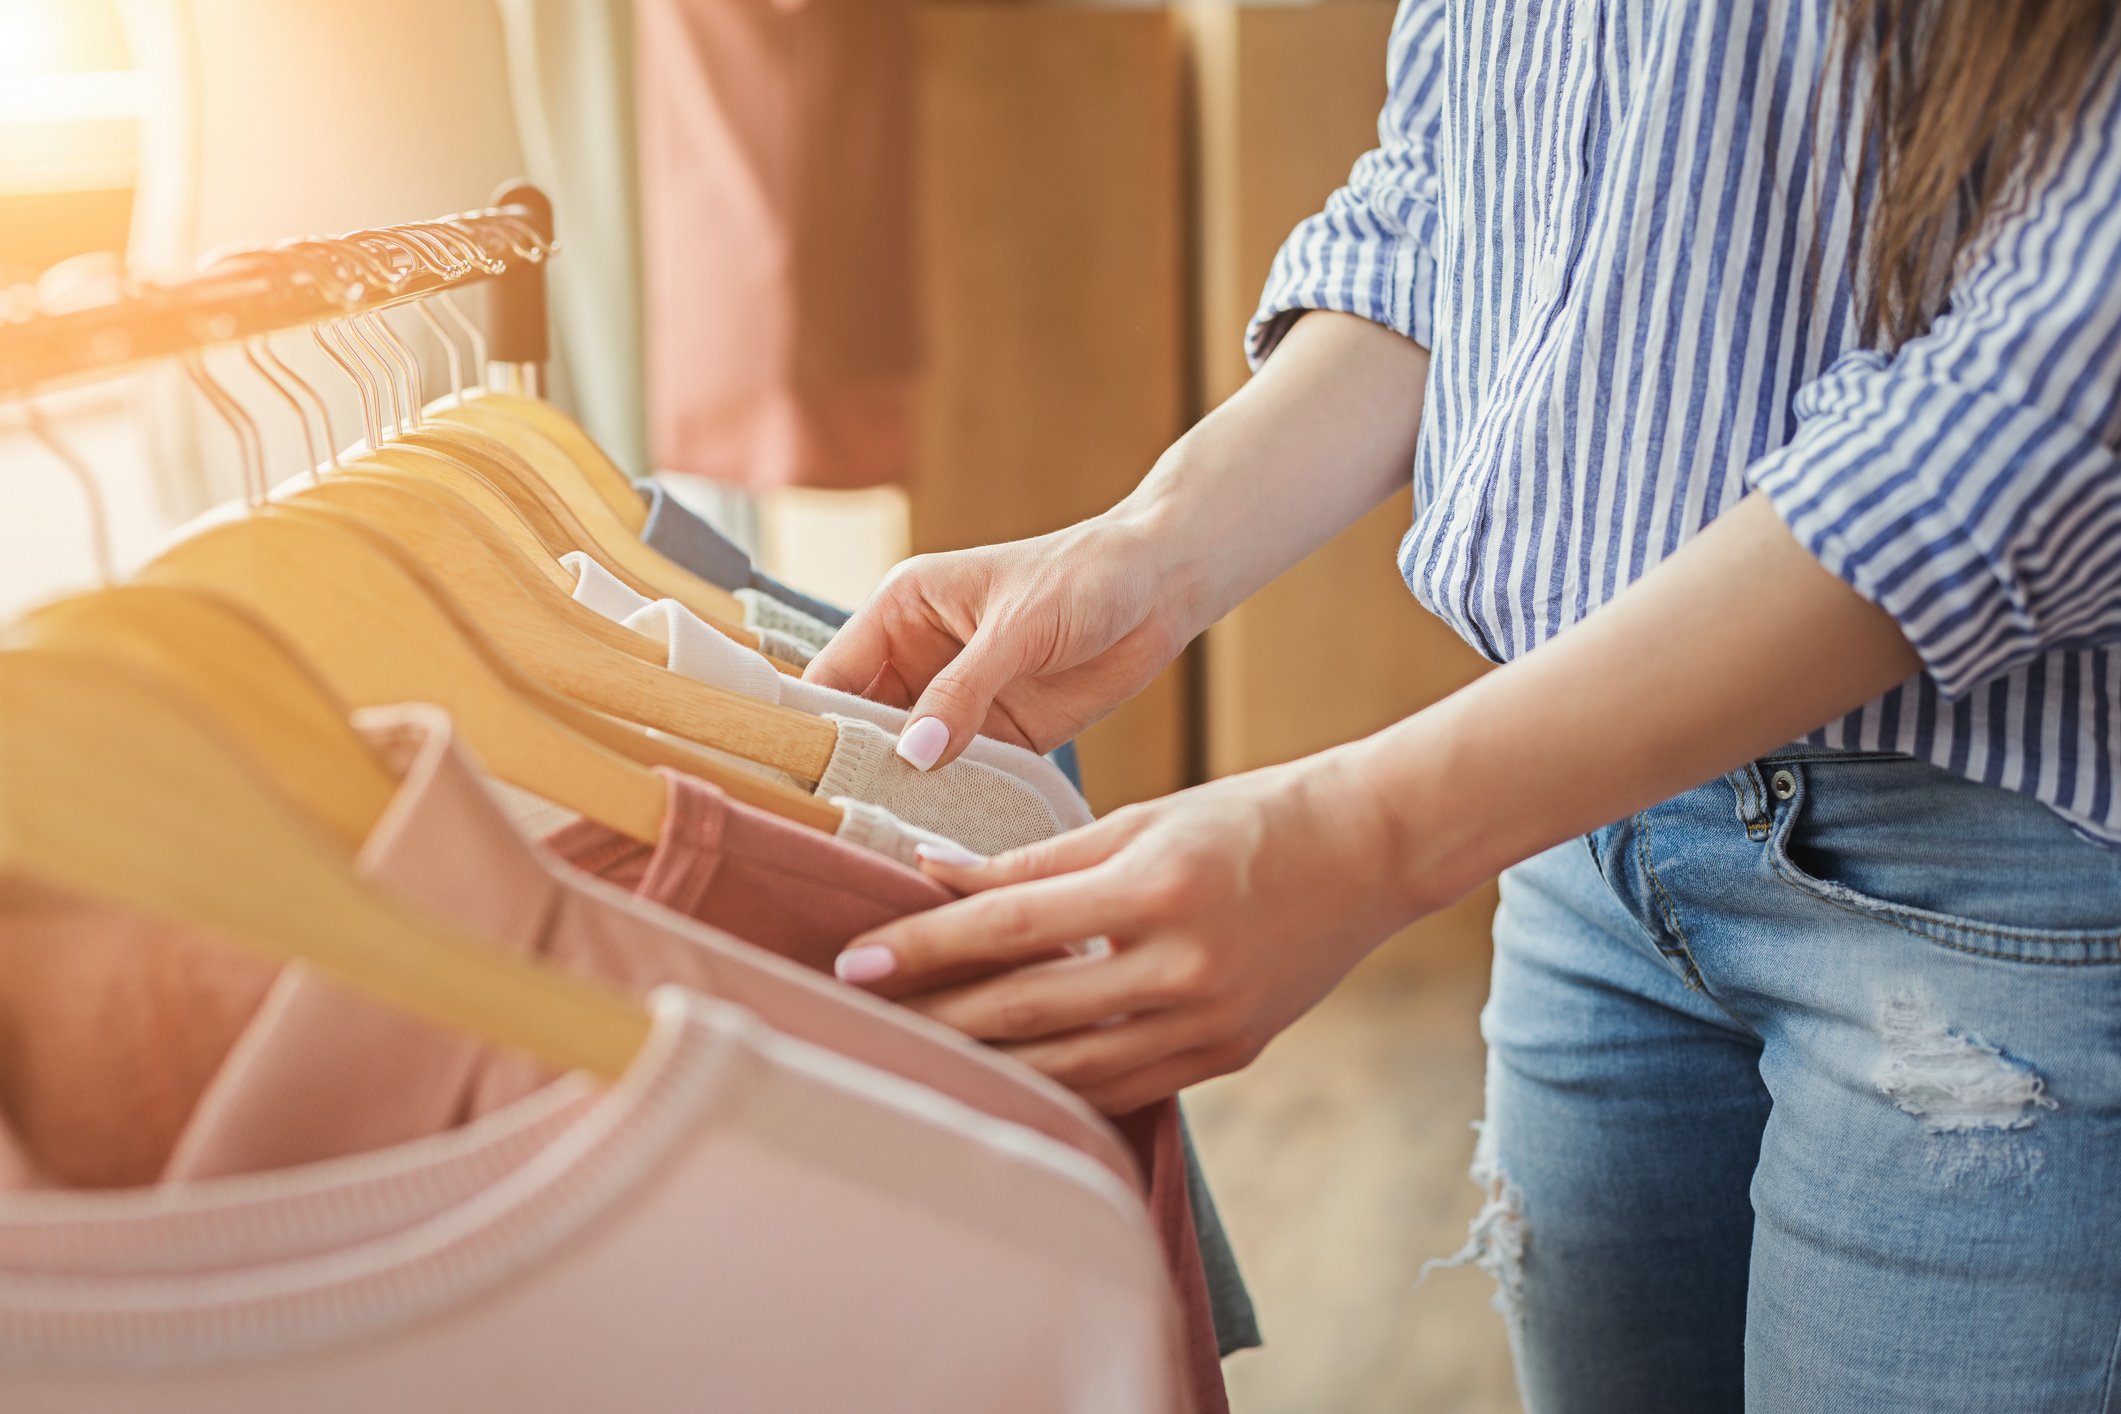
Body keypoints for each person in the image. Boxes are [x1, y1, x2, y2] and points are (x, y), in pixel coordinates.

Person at [808, 2, 2121, 1409]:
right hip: (1585, 847)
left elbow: (2046, 398)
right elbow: (1453, 203)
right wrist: (1150, 545)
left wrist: (1370, 832)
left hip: (1998, 893)